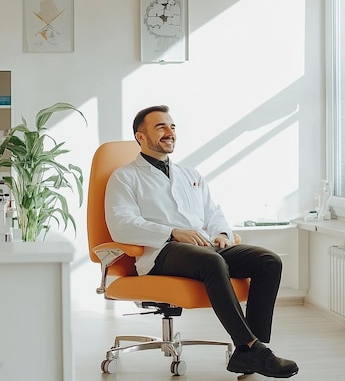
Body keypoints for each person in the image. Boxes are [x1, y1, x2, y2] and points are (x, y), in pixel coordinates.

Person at [104, 105, 299, 378]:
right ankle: (252, 348)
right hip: (161, 252)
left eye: (172, 127)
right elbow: (121, 224)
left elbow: (213, 213)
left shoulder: (191, 174)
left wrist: (221, 234)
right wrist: (172, 232)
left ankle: (250, 350)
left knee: (268, 261)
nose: (169, 132)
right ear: (141, 136)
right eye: (160, 127)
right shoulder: (124, 177)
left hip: (204, 247)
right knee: (211, 260)